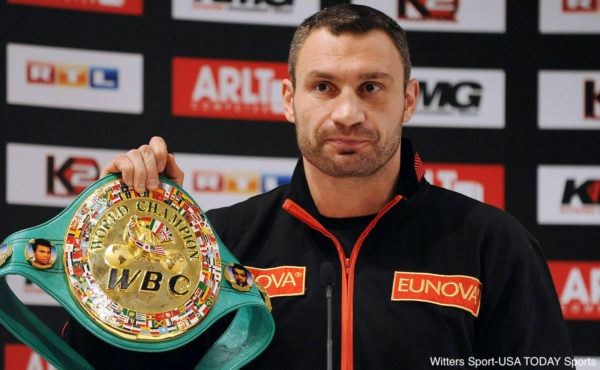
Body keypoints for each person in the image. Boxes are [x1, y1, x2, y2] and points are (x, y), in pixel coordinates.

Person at [64, 4, 572, 369]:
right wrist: (129, 247)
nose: (348, 113)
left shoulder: (493, 245)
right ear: (289, 100)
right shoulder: (218, 246)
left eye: (371, 87)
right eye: (323, 87)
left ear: (410, 100)